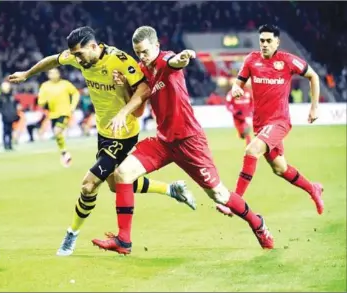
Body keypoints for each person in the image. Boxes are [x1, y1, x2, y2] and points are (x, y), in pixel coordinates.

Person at [8, 26, 196, 257]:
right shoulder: (82, 60)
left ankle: (71, 235)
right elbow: (53, 60)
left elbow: (145, 89)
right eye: (74, 55)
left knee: (88, 185)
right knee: (116, 184)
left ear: (94, 47)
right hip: (104, 133)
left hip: (123, 133)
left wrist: (123, 113)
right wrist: (27, 74)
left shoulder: (120, 60)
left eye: (79, 54)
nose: (76, 59)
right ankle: (171, 189)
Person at [91, 26, 273, 255]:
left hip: (189, 142)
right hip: (164, 142)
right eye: (138, 53)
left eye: (145, 52)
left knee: (220, 195)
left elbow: (175, 62)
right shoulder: (140, 70)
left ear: (156, 46)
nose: (142, 57)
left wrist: (184, 57)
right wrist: (123, 87)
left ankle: (258, 224)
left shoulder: (166, 60)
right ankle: (123, 241)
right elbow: (138, 111)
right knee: (122, 174)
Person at [216, 24, 324, 217]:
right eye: (261, 41)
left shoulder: (288, 61)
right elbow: (237, 84)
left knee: (251, 150)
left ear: (277, 42)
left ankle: (234, 203)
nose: (264, 44)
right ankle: (312, 189)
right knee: (280, 169)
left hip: (279, 122)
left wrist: (314, 107)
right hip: (260, 124)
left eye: (268, 41)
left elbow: (313, 76)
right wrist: (236, 89)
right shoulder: (251, 60)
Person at [38, 68, 80, 167]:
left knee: (57, 131)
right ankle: (63, 152)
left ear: (59, 74)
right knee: (57, 134)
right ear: (48, 75)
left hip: (64, 112)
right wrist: (43, 102)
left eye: (55, 72)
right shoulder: (45, 86)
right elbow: (41, 101)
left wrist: (72, 106)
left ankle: (64, 152)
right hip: (52, 114)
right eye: (51, 73)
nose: (53, 75)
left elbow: (76, 93)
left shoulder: (65, 84)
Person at [225, 79, 253, 146]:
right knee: (242, 134)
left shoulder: (249, 92)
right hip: (237, 116)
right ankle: (241, 134)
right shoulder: (231, 93)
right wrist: (235, 112)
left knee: (246, 131)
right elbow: (228, 105)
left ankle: (249, 146)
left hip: (247, 116)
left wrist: (250, 111)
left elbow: (253, 103)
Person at [0, 81, 19, 151]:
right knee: (5, 131)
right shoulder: (0, 97)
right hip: (5, 117)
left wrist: (15, 114)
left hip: (12, 117)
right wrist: (4, 113)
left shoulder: (12, 96)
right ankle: (5, 145)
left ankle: (10, 144)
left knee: (10, 131)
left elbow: (15, 106)